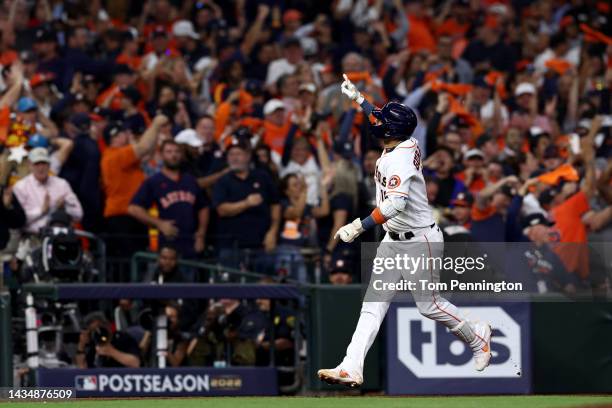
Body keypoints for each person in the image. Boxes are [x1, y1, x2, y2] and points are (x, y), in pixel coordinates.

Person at [317, 75, 492, 388]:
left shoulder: (399, 160)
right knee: (373, 304)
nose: (377, 120)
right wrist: (359, 99)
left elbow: (395, 205)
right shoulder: (403, 140)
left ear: (389, 131)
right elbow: (381, 121)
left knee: (429, 306)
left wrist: (358, 226)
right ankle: (351, 366)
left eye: (382, 120)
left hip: (418, 240)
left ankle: (477, 337)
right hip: (394, 240)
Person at [128, 139, 210, 259]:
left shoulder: (190, 180)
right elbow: (133, 208)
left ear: (182, 155)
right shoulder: (154, 181)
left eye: (177, 152)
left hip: (189, 242)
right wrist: (159, 224)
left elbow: (203, 207)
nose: (173, 155)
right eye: (169, 152)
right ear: (162, 155)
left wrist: (201, 233)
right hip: (166, 244)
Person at [100, 114, 168, 258]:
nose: (128, 135)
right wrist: (155, 124)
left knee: (137, 260)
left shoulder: (119, 156)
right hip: (122, 217)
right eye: (124, 133)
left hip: (132, 216)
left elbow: (147, 153)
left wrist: (156, 132)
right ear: (115, 137)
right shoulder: (115, 155)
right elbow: (143, 147)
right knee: (130, 262)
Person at [12, 147, 82, 235]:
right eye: (37, 163)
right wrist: (41, 211)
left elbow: (79, 214)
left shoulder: (62, 184)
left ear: (49, 165)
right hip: (32, 237)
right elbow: (16, 221)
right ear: (30, 165)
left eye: (44, 163)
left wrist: (64, 208)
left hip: (59, 237)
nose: (41, 167)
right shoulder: (20, 187)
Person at [75, 311, 141, 368]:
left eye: (100, 328)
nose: (99, 333)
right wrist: (81, 345)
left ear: (107, 325)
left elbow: (135, 363)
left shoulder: (123, 339)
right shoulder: (95, 344)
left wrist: (111, 351)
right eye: (94, 330)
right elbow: (82, 367)